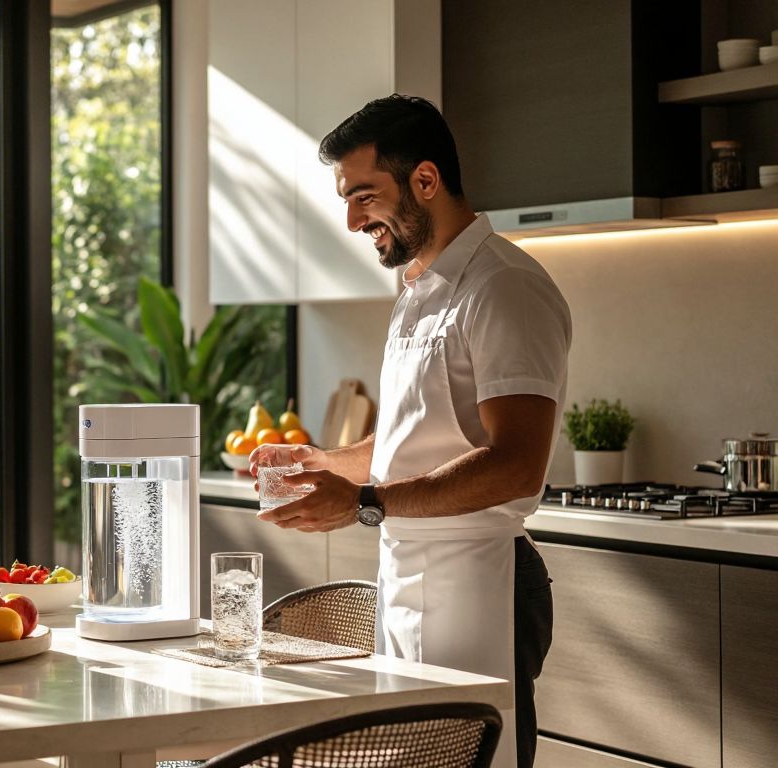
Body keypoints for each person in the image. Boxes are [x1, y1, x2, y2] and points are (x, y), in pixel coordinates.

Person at [250, 94, 569, 768]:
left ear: (425, 180)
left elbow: (515, 464)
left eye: (364, 195)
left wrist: (365, 504)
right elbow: (409, 438)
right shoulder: (420, 290)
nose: (350, 218)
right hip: (410, 580)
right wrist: (327, 461)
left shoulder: (504, 287)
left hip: (484, 585)